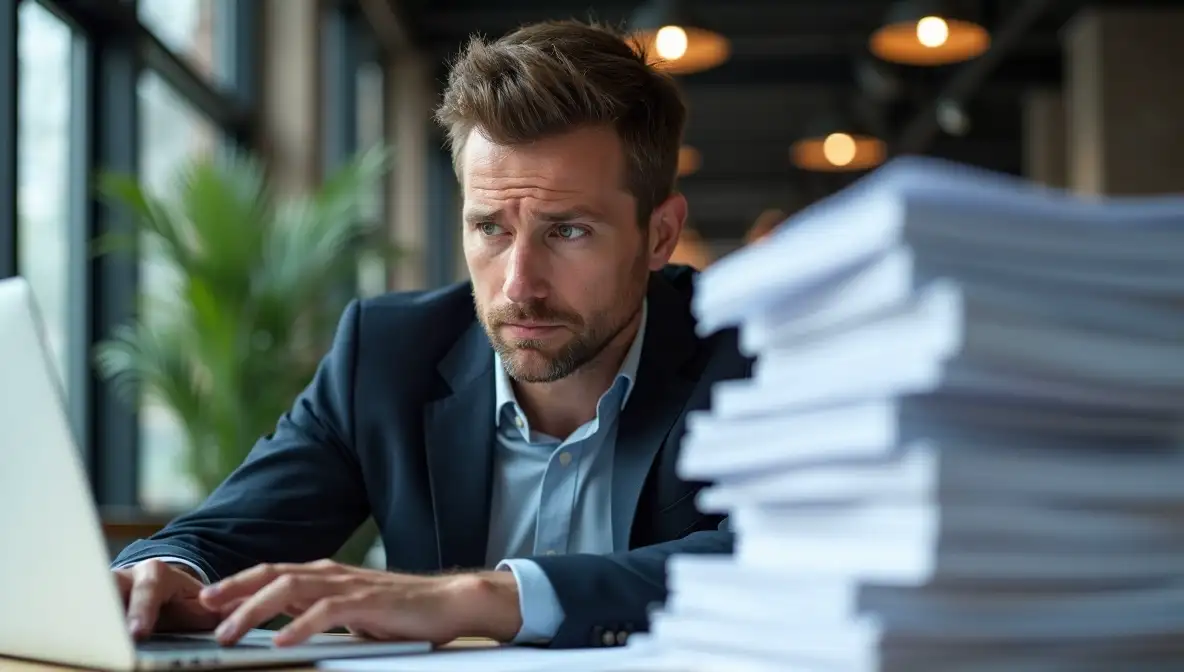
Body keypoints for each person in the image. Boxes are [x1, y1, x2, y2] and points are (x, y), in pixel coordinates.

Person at [110, 19, 750, 650]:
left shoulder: (750, 359)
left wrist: (484, 598)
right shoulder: (387, 355)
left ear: (659, 235)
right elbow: (224, 533)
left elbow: (771, 560)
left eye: (568, 231)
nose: (519, 285)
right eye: (491, 228)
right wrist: (163, 571)